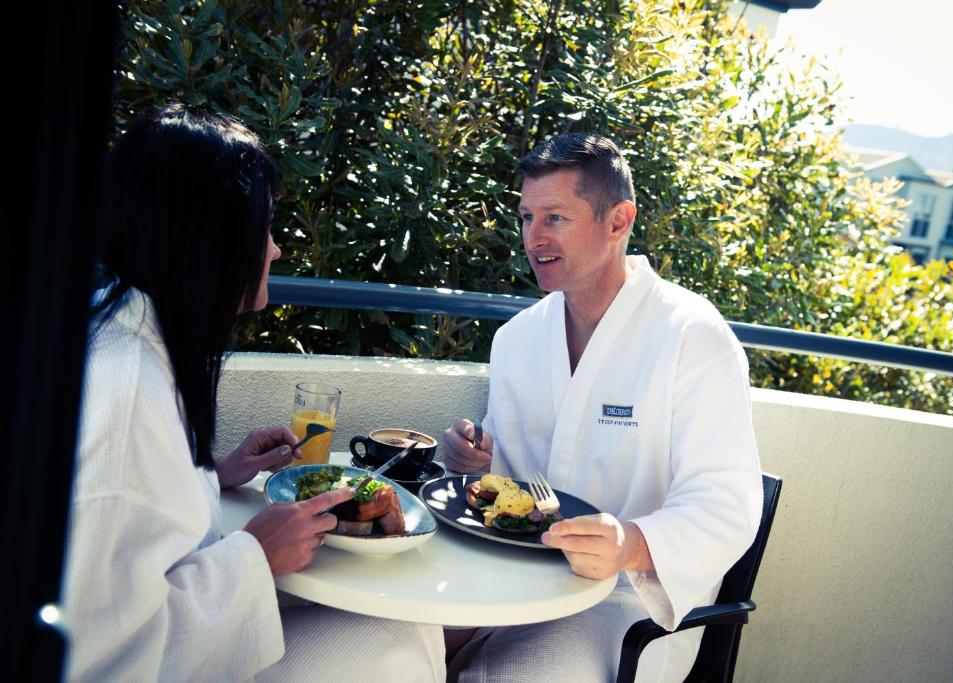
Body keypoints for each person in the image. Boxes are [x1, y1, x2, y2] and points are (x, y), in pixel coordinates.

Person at [61, 105, 445, 682]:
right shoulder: (121, 392)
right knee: (396, 642)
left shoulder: (123, 332)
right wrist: (253, 557)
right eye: (263, 228)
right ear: (210, 239)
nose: (274, 250)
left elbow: (128, 528)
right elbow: (95, 657)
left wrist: (213, 473)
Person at [443, 133, 763, 681]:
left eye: (555, 218)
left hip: (623, 598)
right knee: (395, 643)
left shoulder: (692, 336)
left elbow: (728, 505)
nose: (532, 237)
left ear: (618, 221)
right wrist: (476, 464)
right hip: (509, 572)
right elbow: (507, 483)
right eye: (525, 217)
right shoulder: (517, 338)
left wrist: (632, 545)